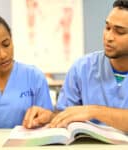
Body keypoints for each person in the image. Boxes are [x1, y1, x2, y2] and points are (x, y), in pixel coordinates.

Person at [49, 0, 128, 132]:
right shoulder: (82, 68)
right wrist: (49, 116)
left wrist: (94, 111)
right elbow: (62, 115)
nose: (108, 37)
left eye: (119, 32)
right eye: (107, 28)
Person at [0, 13, 53, 139]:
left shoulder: (34, 77)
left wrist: (45, 118)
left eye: (6, 44)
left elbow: (49, 124)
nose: (3, 54)